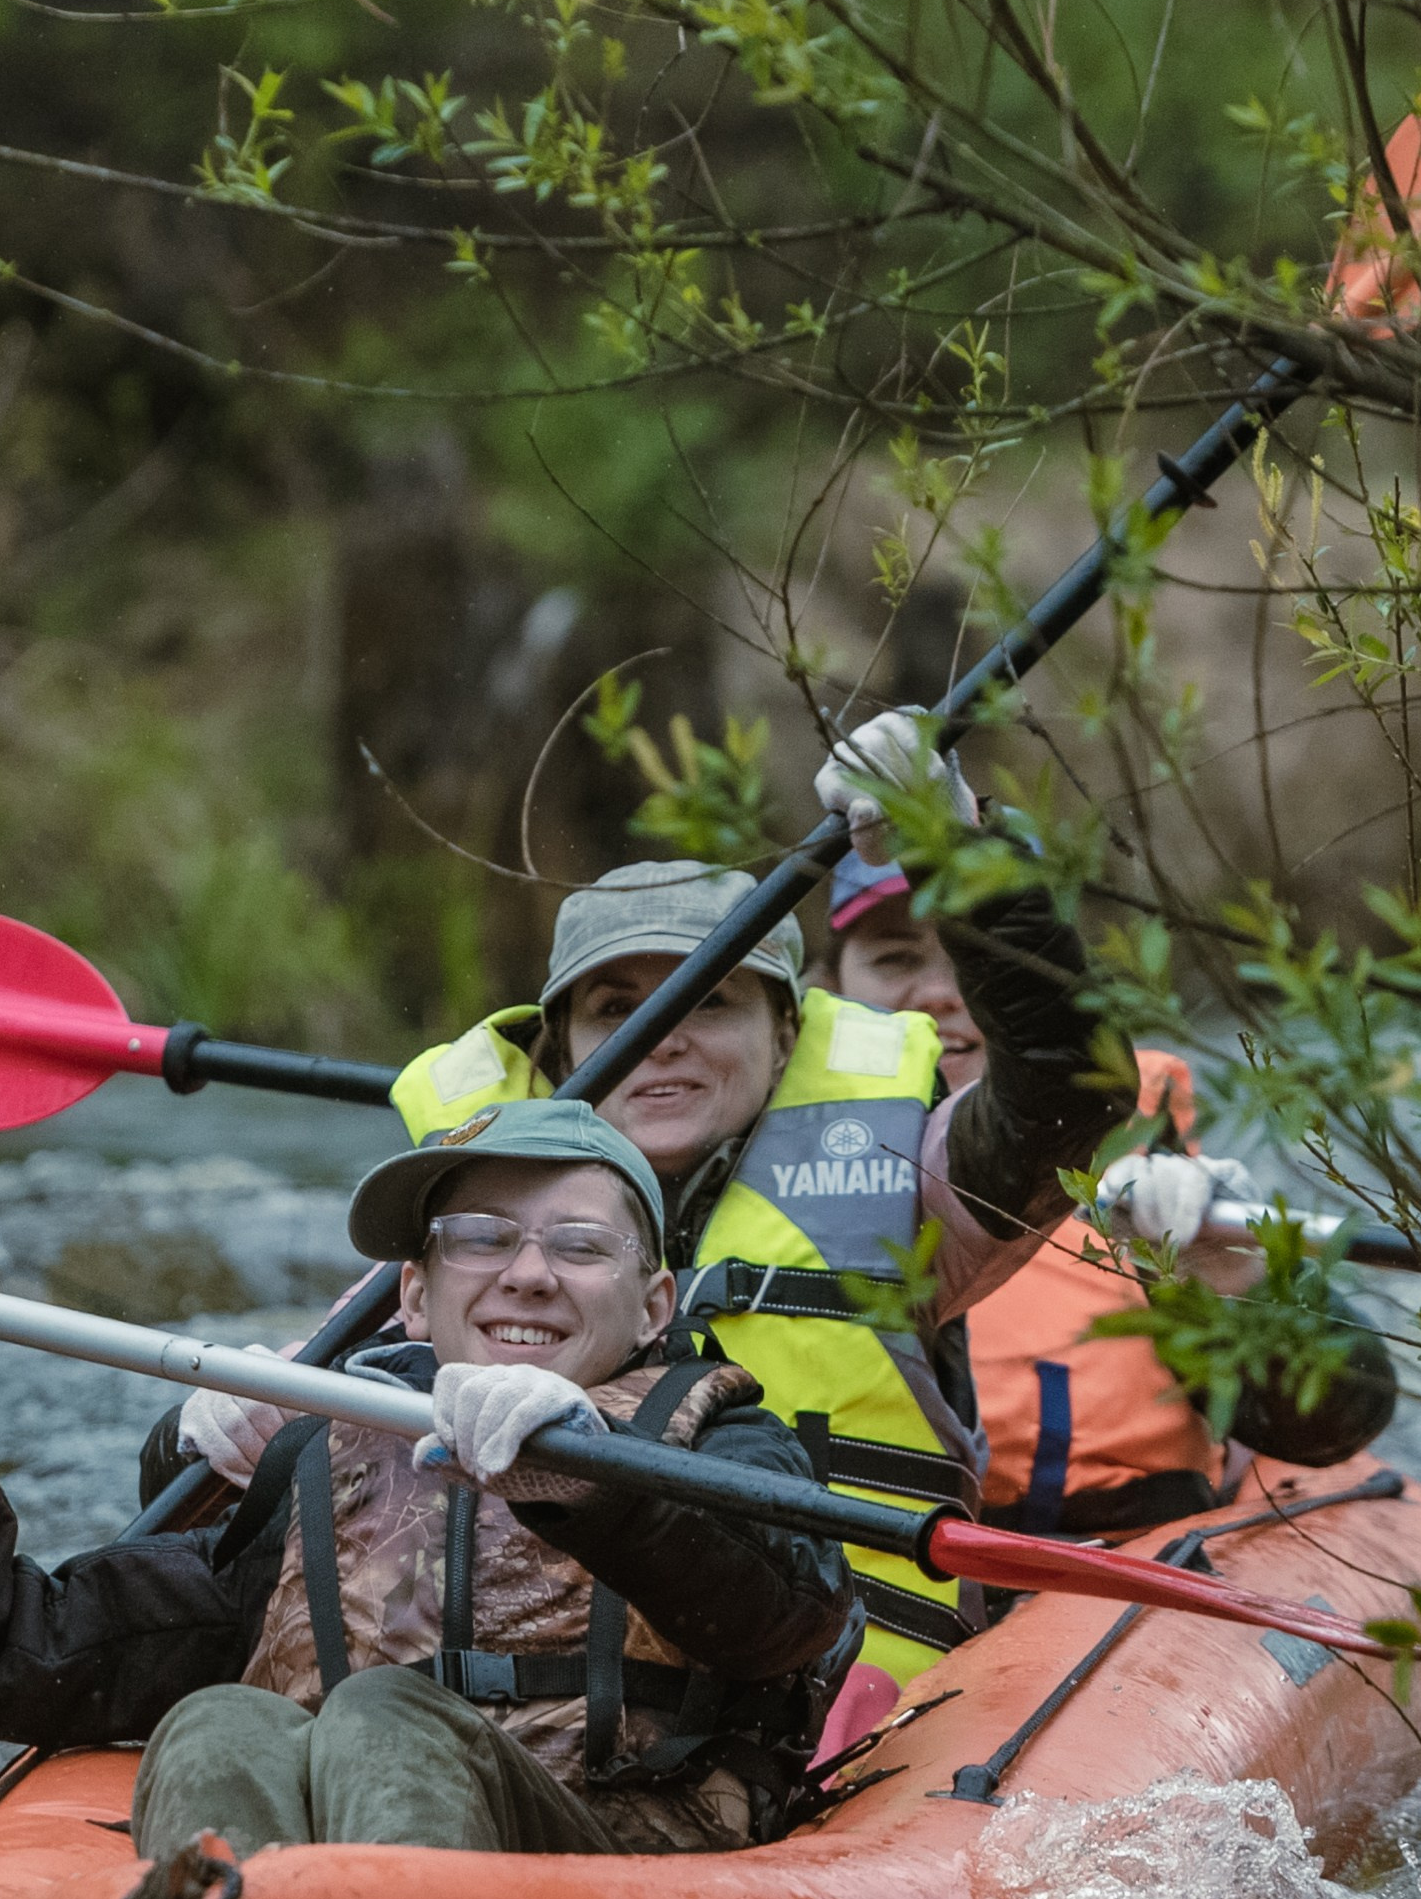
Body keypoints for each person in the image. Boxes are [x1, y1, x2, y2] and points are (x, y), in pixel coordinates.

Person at [176, 711, 1120, 1681]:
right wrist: (205, 1430)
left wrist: (958, 856)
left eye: (709, 1001)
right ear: (561, 1051)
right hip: (553, 1715)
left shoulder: (909, 1181)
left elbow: (1071, 1087)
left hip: (854, 1699)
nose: (663, 1039)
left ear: (786, 1035)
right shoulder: (469, 1249)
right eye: (617, 1009)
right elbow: (268, 1474)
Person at [0, 1104, 859, 1899]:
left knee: (386, 1716)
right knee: (219, 1724)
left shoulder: (721, 1446)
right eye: (481, 1239)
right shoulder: (326, 1469)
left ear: (655, 1307)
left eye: (580, 1246)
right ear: (414, 1297)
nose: (529, 1274)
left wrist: (593, 1477)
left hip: (621, 1897)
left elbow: (791, 1614)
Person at [825, 848, 1399, 1535]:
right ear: (824, 988)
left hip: (1128, 1559)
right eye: (895, 960)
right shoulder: (761, 1171)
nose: (942, 993)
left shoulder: (1151, 1171)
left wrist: (1240, 1283)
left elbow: (1332, 1427)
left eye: (974, 959)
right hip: (880, 1566)